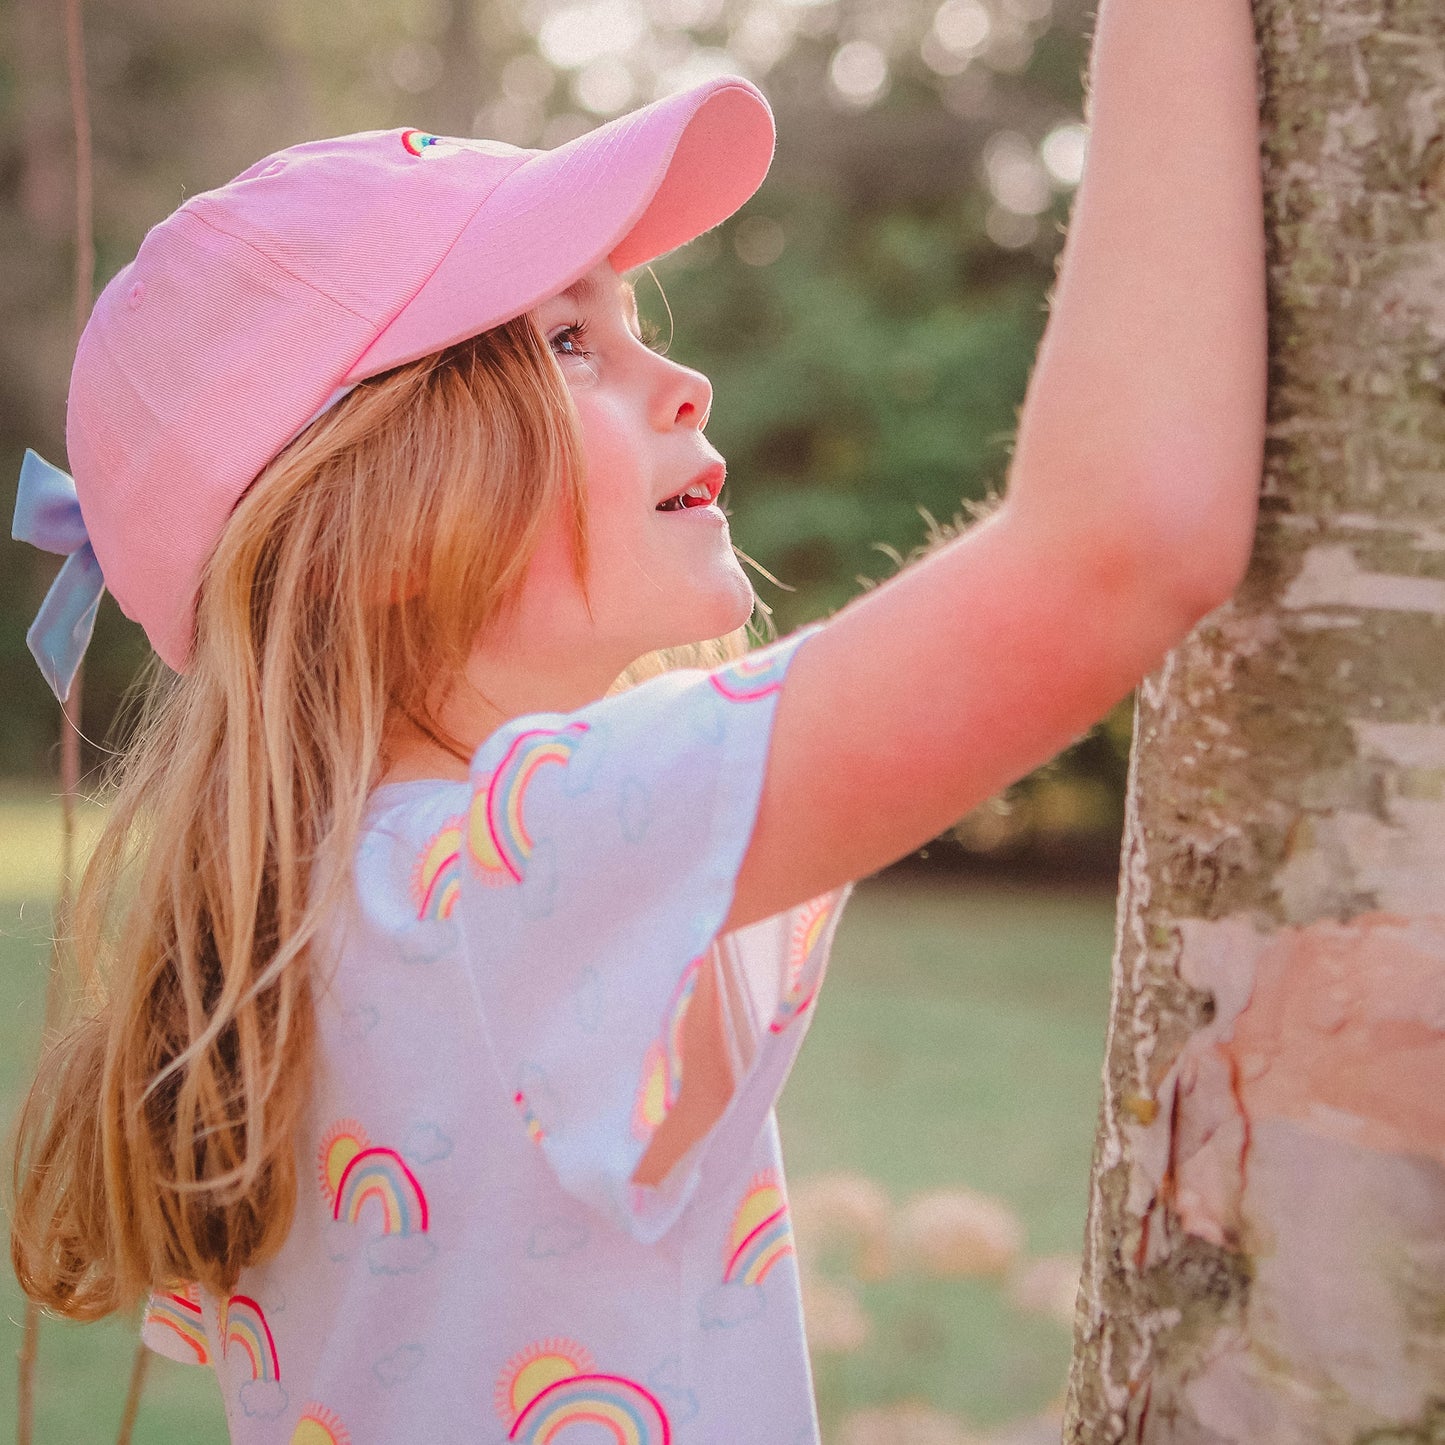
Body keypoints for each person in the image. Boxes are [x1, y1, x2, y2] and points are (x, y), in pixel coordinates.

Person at [9, 3, 1267, 1437]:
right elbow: (1122, 547)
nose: (685, 377)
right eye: (566, 342)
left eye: (628, 323)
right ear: (374, 522)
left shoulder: (320, 903)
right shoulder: (516, 857)